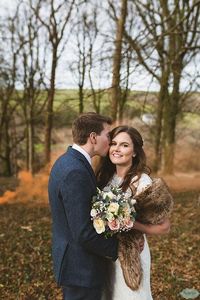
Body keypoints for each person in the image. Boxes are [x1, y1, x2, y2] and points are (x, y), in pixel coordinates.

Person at [48, 112, 119, 300]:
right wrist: (118, 248)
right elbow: (83, 232)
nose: (110, 141)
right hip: (81, 270)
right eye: (108, 135)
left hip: (76, 265)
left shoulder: (68, 161)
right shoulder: (75, 171)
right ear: (93, 137)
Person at [96, 125, 170, 300]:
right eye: (114, 143)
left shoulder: (142, 181)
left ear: (135, 152)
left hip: (132, 254)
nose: (117, 149)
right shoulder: (105, 178)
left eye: (124, 145)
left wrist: (130, 224)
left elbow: (164, 227)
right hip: (108, 253)